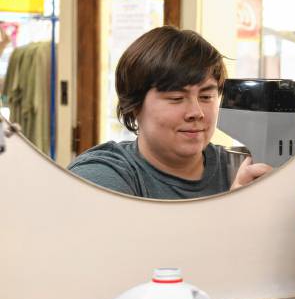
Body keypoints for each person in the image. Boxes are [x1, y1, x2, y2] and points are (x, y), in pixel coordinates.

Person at [68, 26, 271, 199]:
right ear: (134, 105)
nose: (196, 112)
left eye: (206, 97)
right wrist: (238, 208)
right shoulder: (101, 176)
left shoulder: (239, 167)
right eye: (176, 98)